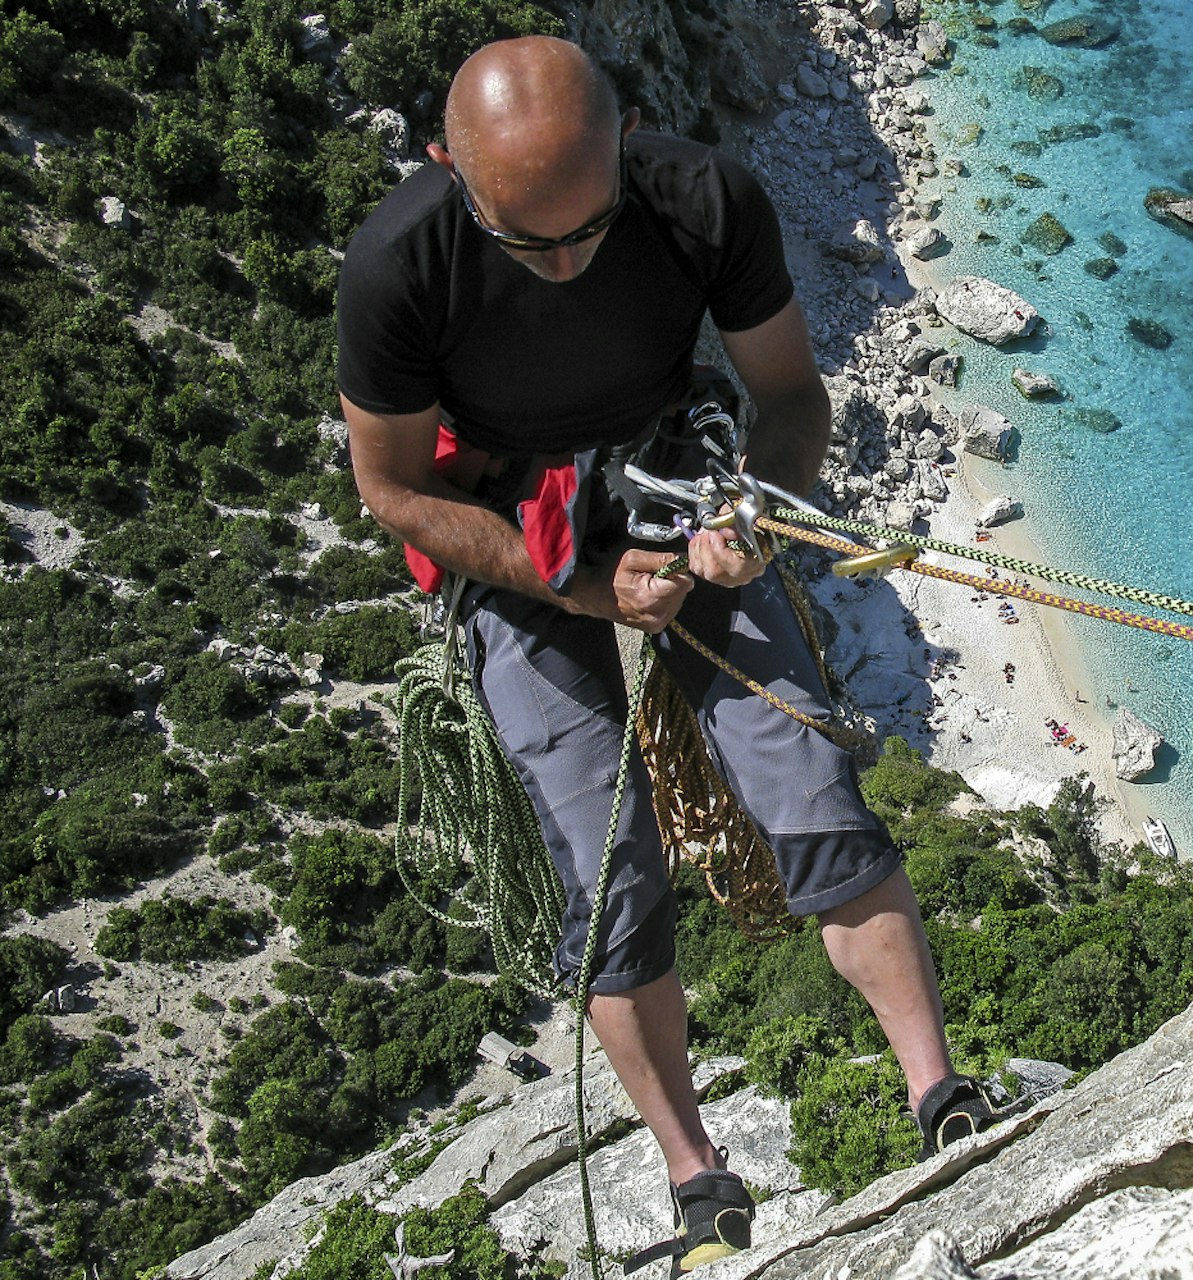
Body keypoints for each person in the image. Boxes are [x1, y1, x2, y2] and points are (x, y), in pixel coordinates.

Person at [335, 36, 993, 1273]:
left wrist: (750, 517)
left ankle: (939, 1094)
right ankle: (698, 1175)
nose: (571, 261)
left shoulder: (701, 199)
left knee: (811, 789)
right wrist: (582, 585)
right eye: (531, 244)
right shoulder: (398, 266)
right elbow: (390, 486)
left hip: (677, 489)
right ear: (446, 170)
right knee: (609, 876)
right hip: (516, 535)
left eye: (591, 224)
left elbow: (791, 400)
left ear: (629, 137)